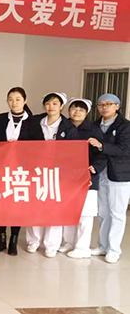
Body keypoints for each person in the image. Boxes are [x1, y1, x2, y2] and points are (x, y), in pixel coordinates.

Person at [25, 92, 77, 258]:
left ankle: (51, 244)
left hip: (57, 173)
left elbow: (72, 152)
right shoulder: (35, 122)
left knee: (54, 208)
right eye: (48, 103)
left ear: (61, 106)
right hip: (36, 170)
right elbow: (25, 144)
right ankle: (33, 240)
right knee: (34, 206)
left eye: (55, 103)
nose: (51, 106)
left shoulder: (68, 127)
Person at [0, 87, 33, 256]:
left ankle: (14, 239)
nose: (14, 103)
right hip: (1, 168)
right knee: (1, 204)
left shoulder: (32, 121)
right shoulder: (0, 119)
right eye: (11, 99)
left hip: (21, 170)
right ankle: (1, 238)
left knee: (17, 205)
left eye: (18, 99)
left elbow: (37, 145)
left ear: (24, 101)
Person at [61, 98, 106, 259]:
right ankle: (68, 242)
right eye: (74, 108)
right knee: (68, 211)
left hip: (87, 177)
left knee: (85, 213)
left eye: (81, 110)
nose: (77, 112)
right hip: (66, 176)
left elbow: (102, 153)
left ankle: (82, 247)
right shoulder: (63, 126)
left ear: (87, 113)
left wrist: (95, 168)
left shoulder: (94, 130)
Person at [88, 93, 130, 264]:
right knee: (103, 212)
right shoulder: (95, 125)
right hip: (101, 173)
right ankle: (103, 246)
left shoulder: (125, 126)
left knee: (117, 213)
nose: (104, 107)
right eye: (101, 104)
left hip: (119, 175)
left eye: (108, 104)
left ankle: (114, 249)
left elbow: (124, 149)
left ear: (117, 106)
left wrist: (101, 146)